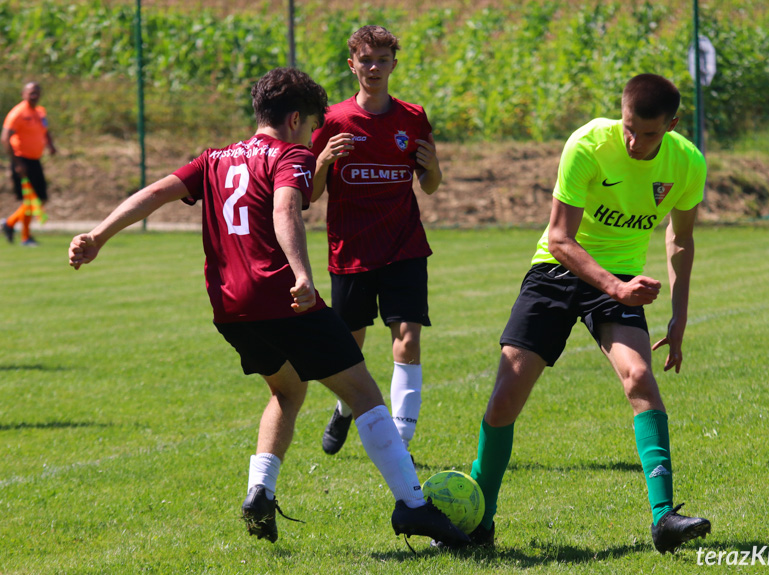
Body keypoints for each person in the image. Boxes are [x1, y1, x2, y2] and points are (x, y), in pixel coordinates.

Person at [68, 67, 468, 548]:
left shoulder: (213, 159)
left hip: (229, 309)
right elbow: (284, 209)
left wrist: (98, 235)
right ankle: (414, 508)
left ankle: (260, 490)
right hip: (281, 297)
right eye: (313, 124)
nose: (314, 133)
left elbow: (154, 193)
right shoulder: (290, 154)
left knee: (286, 391)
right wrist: (301, 273)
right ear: (296, 118)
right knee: (363, 395)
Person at [455, 74, 711, 553]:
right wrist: (617, 287)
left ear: (673, 124)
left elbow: (681, 237)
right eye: (629, 127)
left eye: (649, 134)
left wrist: (678, 317)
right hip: (557, 271)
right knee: (505, 398)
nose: (634, 141)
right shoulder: (589, 144)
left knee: (639, 378)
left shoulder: (687, 162)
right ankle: (478, 523)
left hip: (619, 282)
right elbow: (559, 238)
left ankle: (664, 520)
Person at [310, 25, 442, 458]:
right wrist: (325, 160)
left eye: (382, 60)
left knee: (407, 336)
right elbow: (309, 194)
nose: (374, 68)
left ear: (393, 65)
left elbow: (431, 185)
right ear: (352, 65)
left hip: (404, 245)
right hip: (351, 249)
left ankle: (400, 439)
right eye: (366, 60)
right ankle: (344, 408)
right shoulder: (333, 120)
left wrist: (433, 166)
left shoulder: (412, 117)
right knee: (351, 345)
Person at [2, 81, 57, 246]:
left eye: (37, 92)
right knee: (31, 199)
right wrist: (17, 163)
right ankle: (24, 236)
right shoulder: (18, 113)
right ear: (23, 94)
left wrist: (50, 145)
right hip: (22, 161)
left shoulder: (40, 112)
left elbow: (45, 131)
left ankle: (9, 224)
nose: (35, 95)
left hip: (35, 160)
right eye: (31, 92)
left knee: (39, 199)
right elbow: (5, 138)